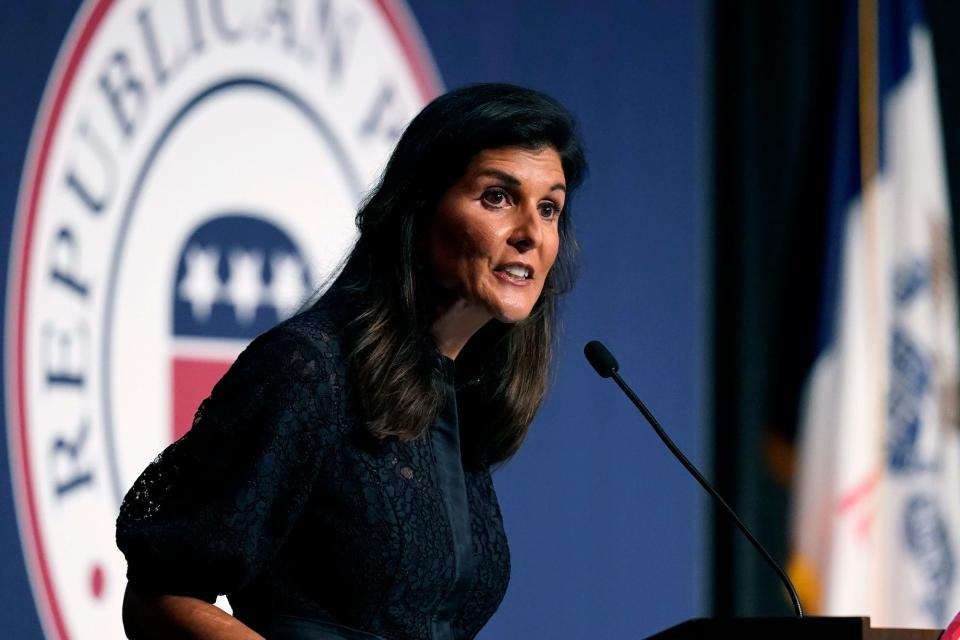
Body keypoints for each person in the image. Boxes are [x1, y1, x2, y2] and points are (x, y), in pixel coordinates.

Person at [116, 82, 587, 640]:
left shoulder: (458, 398)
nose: (531, 234)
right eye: (497, 197)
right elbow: (160, 594)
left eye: (550, 208)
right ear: (419, 208)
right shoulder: (308, 371)